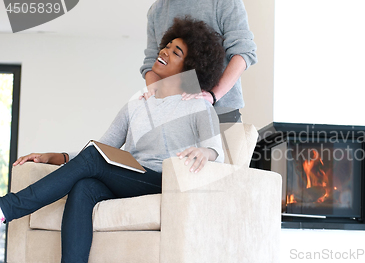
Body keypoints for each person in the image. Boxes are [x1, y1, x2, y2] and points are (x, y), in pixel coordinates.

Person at [0, 17, 226, 263]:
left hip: (164, 182)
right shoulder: (137, 105)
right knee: (84, 187)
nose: (165, 51)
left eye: (176, 52)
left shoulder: (198, 107)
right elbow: (100, 149)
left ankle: (8, 207)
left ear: (189, 67)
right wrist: (57, 157)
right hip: (130, 178)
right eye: (167, 45)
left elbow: (216, 152)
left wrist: (205, 153)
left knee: (94, 162)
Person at [139, 0, 258, 123]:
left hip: (220, 114)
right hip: (173, 118)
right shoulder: (156, 10)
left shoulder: (224, 2)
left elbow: (243, 51)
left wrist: (213, 95)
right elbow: (151, 63)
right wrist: (156, 97)